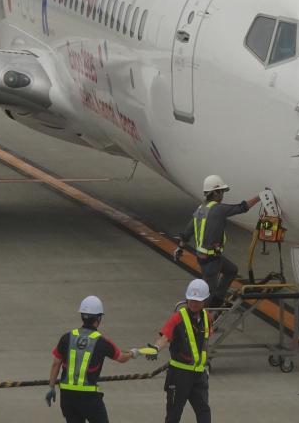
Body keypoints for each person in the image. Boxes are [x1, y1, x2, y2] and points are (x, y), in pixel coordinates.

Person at [46, 294, 137, 423]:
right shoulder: (102, 342)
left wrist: (51, 387)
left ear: (82, 316)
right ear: (98, 318)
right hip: (89, 397)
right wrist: (133, 353)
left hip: (67, 396)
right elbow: (121, 358)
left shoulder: (66, 337)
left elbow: (56, 363)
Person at [172, 175, 260, 306]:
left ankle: (218, 300)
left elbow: (188, 231)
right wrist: (260, 197)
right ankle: (206, 313)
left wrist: (180, 247)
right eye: (222, 191)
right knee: (207, 294)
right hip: (211, 261)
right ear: (216, 192)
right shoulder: (219, 209)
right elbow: (242, 207)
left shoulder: (202, 208)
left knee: (231, 270)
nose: (222, 195)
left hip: (206, 258)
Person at [149, 279, 214, 423]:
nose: (193, 303)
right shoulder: (177, 318)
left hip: (199, 375)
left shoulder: (207, 319)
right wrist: (155, 348)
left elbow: (204, 343)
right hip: (179, 375)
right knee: (174, 415)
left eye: (197, 301)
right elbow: (165, 338)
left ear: (205, 301)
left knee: (204, 411)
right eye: (191, 300)